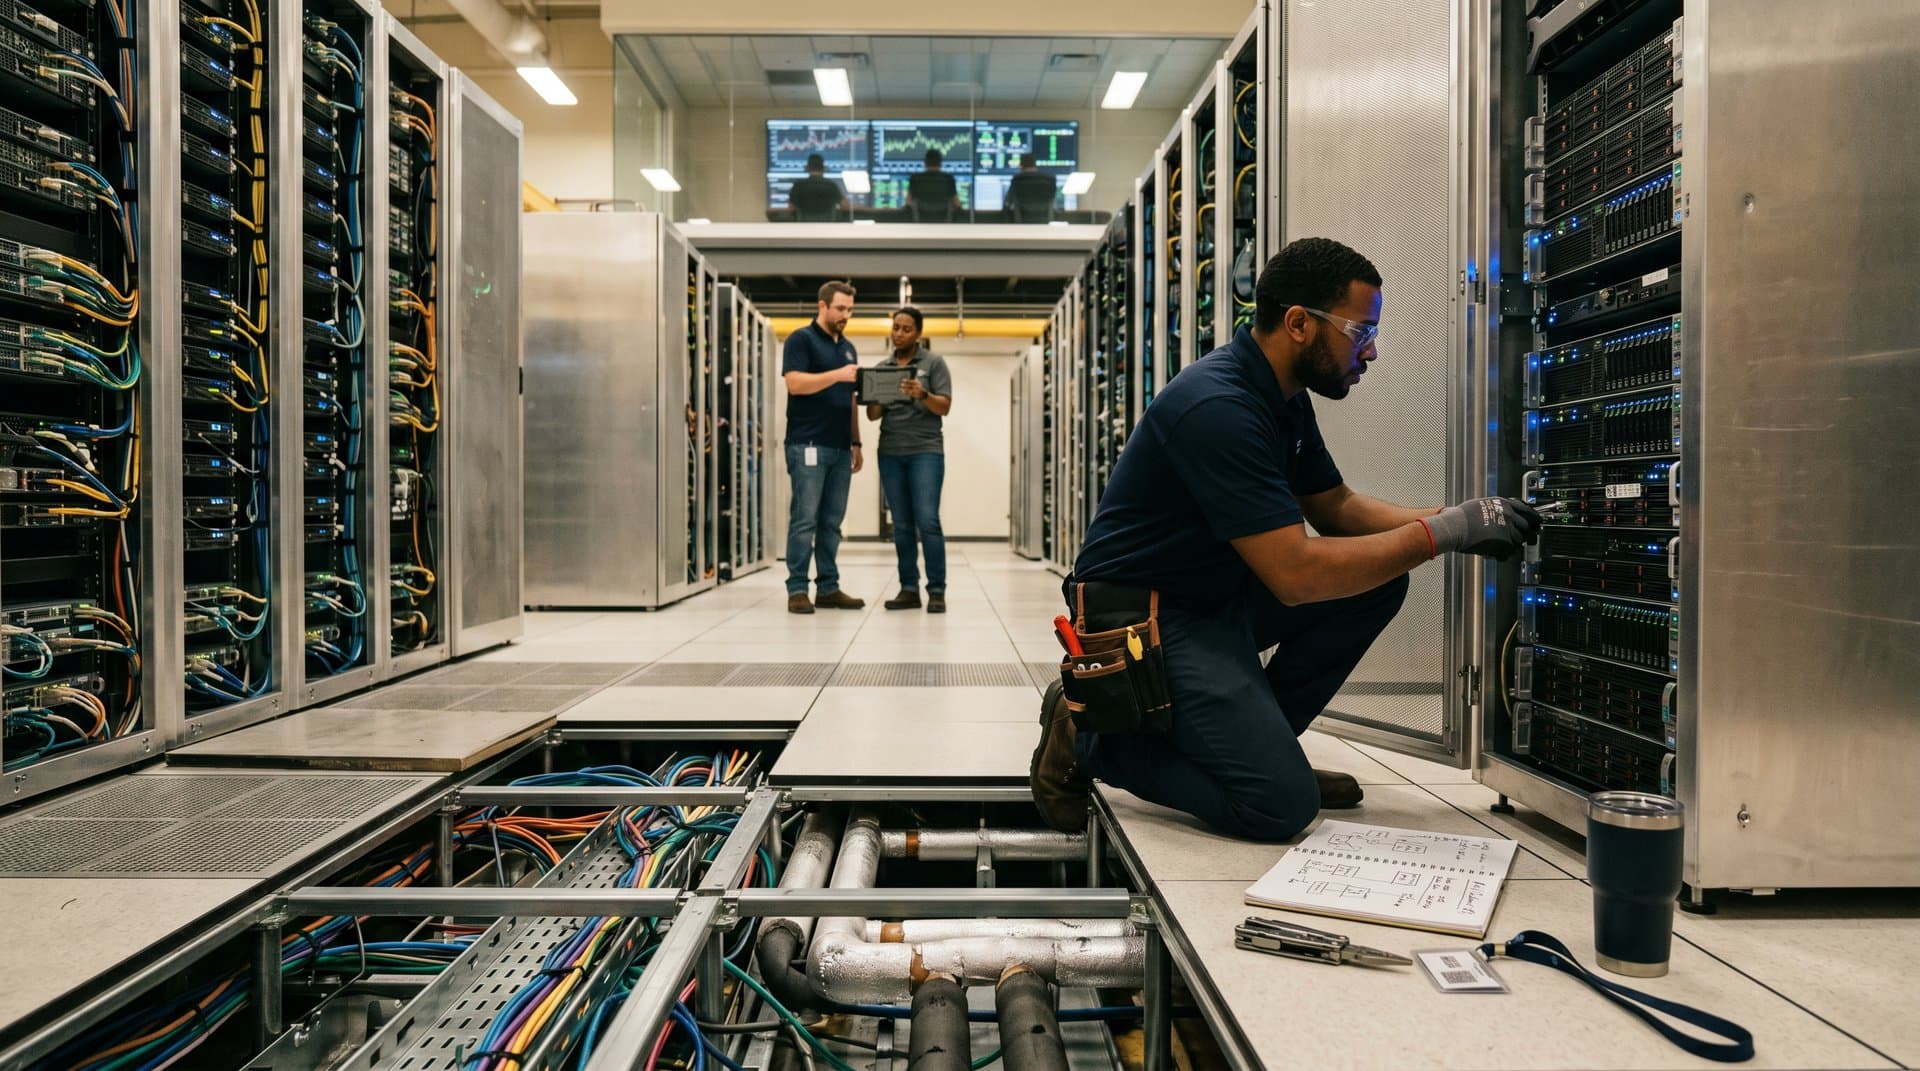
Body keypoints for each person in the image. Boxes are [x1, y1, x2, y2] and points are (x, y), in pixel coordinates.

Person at [1029, 238, 1542, 839]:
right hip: (1142, 617)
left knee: (1376, 585)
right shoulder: (1218, 405)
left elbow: (1336, 507)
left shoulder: (1283, 400)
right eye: (1361, 331)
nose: (1372, 350)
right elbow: (1296, 576)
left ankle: (1261, 747)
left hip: (1209, 597)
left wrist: (1461, 518)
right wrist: (1442, 534)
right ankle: (1091, 736)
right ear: (1298, 323)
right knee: (1279, 807)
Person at [782, 280, 866, 614]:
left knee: (832, 522)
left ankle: (828, 587)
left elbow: (852, 399)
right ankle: (797, 589)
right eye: (840, 308)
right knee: (805, 519)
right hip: (807, 444)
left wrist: (856, 441)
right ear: (823, 305)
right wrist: (837, 375)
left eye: (850, 310)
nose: (846, 315)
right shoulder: (800, 340)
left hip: (840, 448)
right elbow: (795, 383)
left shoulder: (848, 348)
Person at [865, 306, 953, 613]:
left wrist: (922, 394)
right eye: (895, 328)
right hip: (890, 451)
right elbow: (873, 415)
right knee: (901, 525)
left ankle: (937, 590)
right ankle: (908, 589)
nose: (899, 334)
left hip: (925, 451)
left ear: (917, 333)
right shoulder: (883, 366)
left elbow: (944, 407)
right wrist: (878, 393)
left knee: (927, 521)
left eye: (906, 329)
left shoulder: (934, 363)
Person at [788, 153, 849, 221]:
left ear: (807, 168)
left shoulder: (798, 186)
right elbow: (845, 206)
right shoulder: (831, 185)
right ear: (823, 168)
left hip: (804, 228)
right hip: (827, 229)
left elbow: (791, 209)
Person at [906, 149, 961, 222]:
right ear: (940, 163)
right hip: (944, 225)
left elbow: (908, 203)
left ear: (925, 163)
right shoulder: (948, 179)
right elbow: (956, 203)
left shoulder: (915, 178)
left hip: (920, 224)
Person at [1006, 154, 1058, 223]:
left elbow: (1007, 203)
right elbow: (1055, 203)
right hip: (1045, 223)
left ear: (1021, 165)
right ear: (1035, 165)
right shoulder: (1049, 179)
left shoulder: (1017, 180)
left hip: (1021, 223)